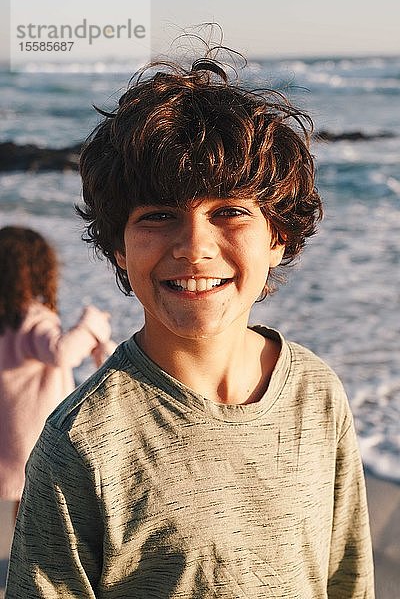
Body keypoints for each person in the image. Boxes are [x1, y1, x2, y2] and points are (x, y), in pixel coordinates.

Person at [5, 50, 374, 598]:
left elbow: (348, 580)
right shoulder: (81, 443)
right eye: (157, 215)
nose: (195, 246)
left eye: (229, 211)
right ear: (119, 250)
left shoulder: (316, 393)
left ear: (279, 238)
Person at [0, 226, 114, 519]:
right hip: (35, 436)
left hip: (8, 434)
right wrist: (91, 324)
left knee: (19, 504)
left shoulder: (7, 320)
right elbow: (62, 353)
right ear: (40, 270)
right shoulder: (33, 318)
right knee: (33, 513)